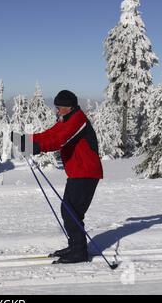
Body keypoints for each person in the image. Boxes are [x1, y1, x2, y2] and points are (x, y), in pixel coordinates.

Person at [11, 90, 103, 264]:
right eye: (56, 107)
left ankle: (79, 252)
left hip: (87, 173)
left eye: (59, 108)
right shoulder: (66, 119)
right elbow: (50, 134)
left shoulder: (78, 121)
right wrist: (26, 140)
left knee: (71, 212)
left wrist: (34, 147)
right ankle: (75, 246)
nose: (57, 111)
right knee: (69, 210)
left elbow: (59, 140)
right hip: (78, 172)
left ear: (69, 107)